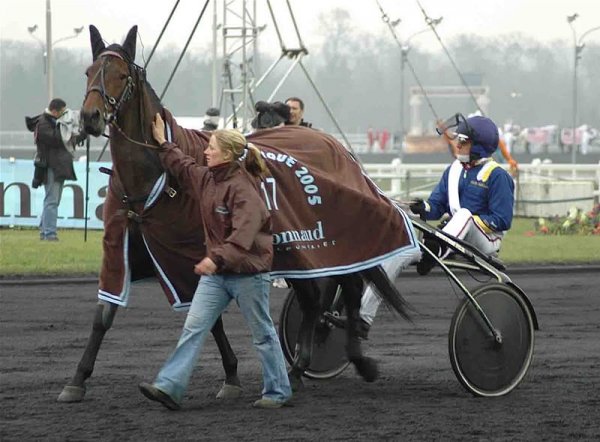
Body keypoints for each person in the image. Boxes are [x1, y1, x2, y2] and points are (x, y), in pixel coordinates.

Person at [139, 114, 291, 410]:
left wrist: (214, 259)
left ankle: (277, 392)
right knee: (193, 328)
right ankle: (169, 387)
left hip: (248, 274)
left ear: (228, 154)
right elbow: (183, 167)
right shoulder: (208, 178)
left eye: (211, 147)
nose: (206, 151)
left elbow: (243, 235)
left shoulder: (243, 189)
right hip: (218, 275)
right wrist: (162, 142)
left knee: (262, 334)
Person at [359, 115, 515, 328]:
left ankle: (435, 249)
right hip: (450, 237)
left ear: (479, 147)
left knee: (463, 216)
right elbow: (436, 206)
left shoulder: (497, 176)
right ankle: (362, 319)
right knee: (397, 254)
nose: (457, 144)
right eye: (458, 138)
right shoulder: (453, 171)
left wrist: (464, 223)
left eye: (464, 141)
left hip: (485, 242)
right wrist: (422, 208)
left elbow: (502, 220)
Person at [29, 98, 80, 241]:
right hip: (50, 167)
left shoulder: (52, 122)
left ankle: (44, 230)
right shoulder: (43, 123)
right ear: (55, 111)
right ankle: (49, 233)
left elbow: (64, 138)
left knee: (53, 201)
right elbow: (57, 139)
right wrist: (68, 128)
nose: (65, 114)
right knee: (51, 201)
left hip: (59, 167)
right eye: (63, 111)